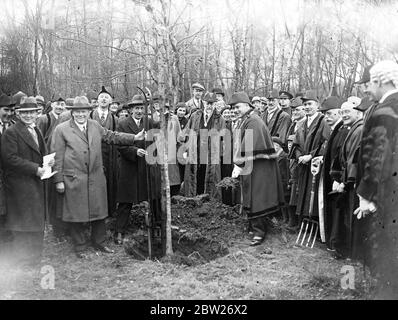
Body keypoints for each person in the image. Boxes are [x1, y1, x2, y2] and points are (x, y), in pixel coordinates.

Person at [51, 96, 145, 258]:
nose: (81, 115)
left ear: (89, 112)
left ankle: (99, 242)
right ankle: (80, 246)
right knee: (77, 212)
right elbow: (57, 156)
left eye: (84, 112)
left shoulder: (95, 125)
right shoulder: (62, 129)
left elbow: (111, 136)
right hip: (74, 178)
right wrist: (58, 180)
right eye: (77, 112)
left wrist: (134, 138)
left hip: (95, 176)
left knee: (99, 211)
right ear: (72, 113)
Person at [354, 60, 398, 298]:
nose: (366, 89)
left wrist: (366, 196)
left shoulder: (385, 110)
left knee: (387, 260)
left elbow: (376, 158)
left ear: (382, 81)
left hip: (387, 199)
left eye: (369, 83)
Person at [1, 97, 55, 267]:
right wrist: (35, 169)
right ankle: (24, 260)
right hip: (20, 185)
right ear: (18, 114)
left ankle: (34, 258)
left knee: (35, 220)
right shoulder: (12, 132)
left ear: (37, 114)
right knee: (23, 222)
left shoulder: (36, 130)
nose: (28, 116)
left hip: (36, 182)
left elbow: (40, 152)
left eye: (32, 112)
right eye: (24, 113)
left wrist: (48, 162)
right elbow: (9, 159)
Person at [230, 92, 284, 246]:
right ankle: (254, 227)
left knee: (257, 197)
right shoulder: (248, 119)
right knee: (252, 195)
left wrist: (238, 165)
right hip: (253, 165)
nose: (235, 110)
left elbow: (250, 144)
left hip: (259, 167)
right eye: (233, 107)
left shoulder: (253, 121)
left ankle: (259, 232)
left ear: (247, 105)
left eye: (238, 107)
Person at [114, 95, 161, 244]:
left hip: (147, 166)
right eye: (136, 108)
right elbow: (120, 145)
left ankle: (157, 225)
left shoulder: (149, 122)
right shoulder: (122, 124)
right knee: (126, 200)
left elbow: (158, 136)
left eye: (141, 108)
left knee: (154, 197)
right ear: (131, 110)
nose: (139, 111)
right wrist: (134, 151)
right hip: (130, 167)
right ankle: (119, 231)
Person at [328, 99, 363, 260]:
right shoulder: (351, 129)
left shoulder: (359, 129)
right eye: (342, 112)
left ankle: (352, 253)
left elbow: (354, 159)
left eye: (347, 112)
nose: (344, 115)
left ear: (358, 112)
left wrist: (345, 181)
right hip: (347, 178)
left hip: (352, 182)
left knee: (351, 217)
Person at [291, 90, 330, 223]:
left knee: (313, 195)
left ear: (317, 105)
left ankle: (315, 223)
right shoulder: (301, 123)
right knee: (302, 192)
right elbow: (295, 144)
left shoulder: (323, 121)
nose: (307, 107)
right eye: (305, 105)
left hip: (316, 166)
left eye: (310, 104)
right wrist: (299, 156)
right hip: (303, 164)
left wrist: (311, 156)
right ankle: (303, 220)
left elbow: (326, 143)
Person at [319, 96, 349, 255]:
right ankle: (333, 242)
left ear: (339, 113)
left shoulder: (343, 130)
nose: (327, 117)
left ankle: (338, 246)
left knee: (338, 211)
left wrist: (339, 179)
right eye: (325, 115)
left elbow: (342, 156)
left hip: (338, 179)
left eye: (330, 113)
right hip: (333, 177)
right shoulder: (336, 129)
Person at [180, 92, 225, 199]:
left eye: (212, 103)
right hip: (196, 153)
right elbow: (187, 134)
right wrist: (185, 150)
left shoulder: (219, 119)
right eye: (207, 103)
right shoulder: (195, 116)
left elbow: (223, 139)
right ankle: (192, 201)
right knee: (194, 177)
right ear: (203, 103)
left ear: (215, 104)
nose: (209, 106)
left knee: (210, 179)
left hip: (211, 156)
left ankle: (209, 202)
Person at [36, 96, 68, 240]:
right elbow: (38, 140)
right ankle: (54, 227)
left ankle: (62, 226)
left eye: (62, 104)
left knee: (62, 195)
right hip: (48, 160)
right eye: (57, 104)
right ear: (51, 104)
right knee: (51, 195)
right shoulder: (44, 119)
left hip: (61, 159)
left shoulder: (66, 117)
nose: (60, 107)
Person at [90, 86, 119, 217]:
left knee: (109, 183)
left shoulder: (115, 119)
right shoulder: (90, 116)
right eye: (101, 97)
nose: (103, 99)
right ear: (97, 100)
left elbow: (116, 137)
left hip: (109, 157)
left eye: (106, 97)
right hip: (92, 155)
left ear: (110, 101)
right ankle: (93, 212)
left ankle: (108, 211)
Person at [286, 97, 306, 228]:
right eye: (293, 109)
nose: (295, 112)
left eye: (298, 109)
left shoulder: (305, 124)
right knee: (292, 190)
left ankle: (299, 222)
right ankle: (291, 219)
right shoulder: (294, 123)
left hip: (301, 161)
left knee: (298, 191)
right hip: (292, 160)